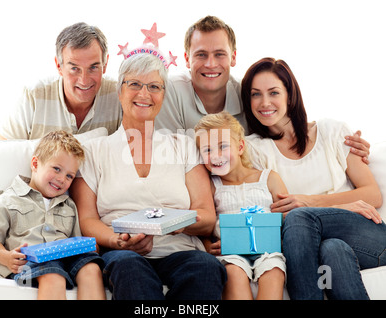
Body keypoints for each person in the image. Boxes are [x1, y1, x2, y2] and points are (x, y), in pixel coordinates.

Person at [69, 51, 227, 300]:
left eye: (154, 86)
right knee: (130, 268)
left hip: (180, 250)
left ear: (163, 96)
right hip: (122, 253)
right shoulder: (94, 151)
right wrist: (118, 240)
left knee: (206, 268)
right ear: (120, 92)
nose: (144, 94)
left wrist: (175, 223)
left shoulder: (183, 146)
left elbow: (206, 216)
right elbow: (87, 219)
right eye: (134, 84)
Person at [241, 57, 386, 299]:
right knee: (333, 249)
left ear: (290, 95)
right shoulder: (254, 150)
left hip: (367, 236)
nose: (264, 102)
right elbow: (271, 214)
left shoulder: (332, 131)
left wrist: (310, 202)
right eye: (255, 94)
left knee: (299, 216)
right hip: (318, 247)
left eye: (273, 92)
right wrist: (340, 205)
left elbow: (373, 195)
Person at [155, 15, 371, 165]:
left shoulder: (251, 95)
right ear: (186, 59)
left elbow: (284, 127)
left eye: (219, 54)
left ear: (233, 57)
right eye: (201, 54)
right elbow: (166, 157)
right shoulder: (169, 92)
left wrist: (338, 141)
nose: (211, 64)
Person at [0, 130, 105, 300]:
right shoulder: (8, 199)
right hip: (30, 262)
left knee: (91, 268)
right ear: (35, 164)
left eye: (69, 176)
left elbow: (76, 240)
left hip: (66, 258)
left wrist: (89, 247)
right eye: (56, 169)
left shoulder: (68, 205)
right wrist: (6, 258)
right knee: (52, 274)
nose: (61, 179)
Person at [194, 111, 287, 300]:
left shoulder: (268, 178)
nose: (216, 156)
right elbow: (203, 227)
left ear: (240, 147)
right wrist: (207, 246)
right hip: (231, 252)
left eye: (223, 146)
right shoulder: (212, 186)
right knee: (234, 272)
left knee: (274, 270)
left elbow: (287, 217)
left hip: (268, 250)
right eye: (208, 150)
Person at [0, 22, 122, 140]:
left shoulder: (119, 95)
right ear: (59, 66)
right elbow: (2, 150)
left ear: (105, 65)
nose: (84, 80)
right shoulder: (34, 96)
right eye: (74, 68)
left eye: (93, 67)